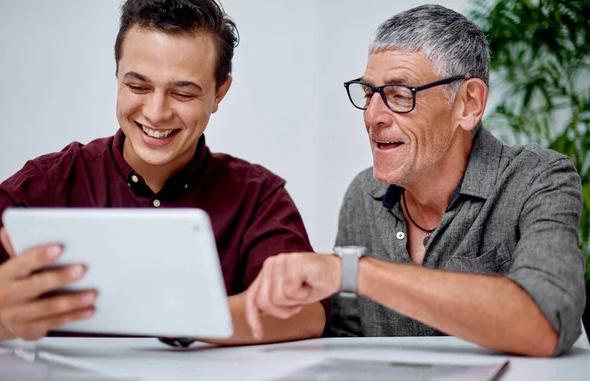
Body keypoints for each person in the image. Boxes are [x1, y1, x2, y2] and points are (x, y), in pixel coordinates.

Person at [244, 4, 585, 357]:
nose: (373, 117)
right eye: (368, 94)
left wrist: (353, 272)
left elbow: (546, 324)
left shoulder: (538, 179)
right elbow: (345, 345)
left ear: (468, 104)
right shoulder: (364, 195)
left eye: (400, 95)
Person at [0, 0, 328, 344]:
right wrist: (1, 317)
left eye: (182, 92)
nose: (155, 112)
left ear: (219, 94)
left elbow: (307, 313)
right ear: (118, 74)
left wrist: (177, 317)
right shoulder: (45, 186)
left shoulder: (258, 197)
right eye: (138, 86)